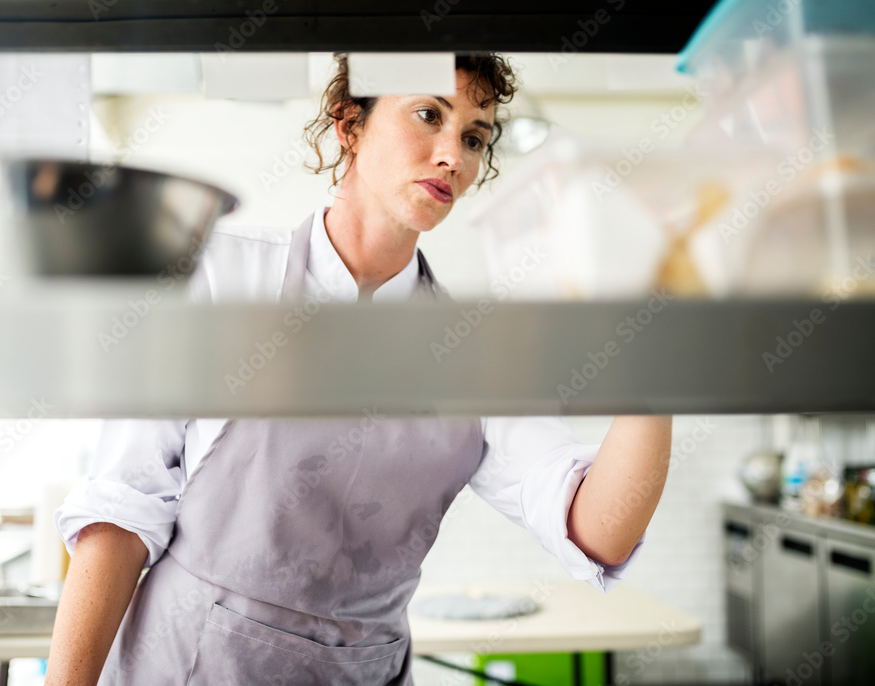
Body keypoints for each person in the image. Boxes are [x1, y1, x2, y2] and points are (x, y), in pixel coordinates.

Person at [45, 53, 673, 686]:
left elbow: (600, 532)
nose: (453, 155)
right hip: (191, 664)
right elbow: (121, 514)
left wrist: (653, 349)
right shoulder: (220, 277)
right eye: (429, 114)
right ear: (349, 125)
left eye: (475, 137)